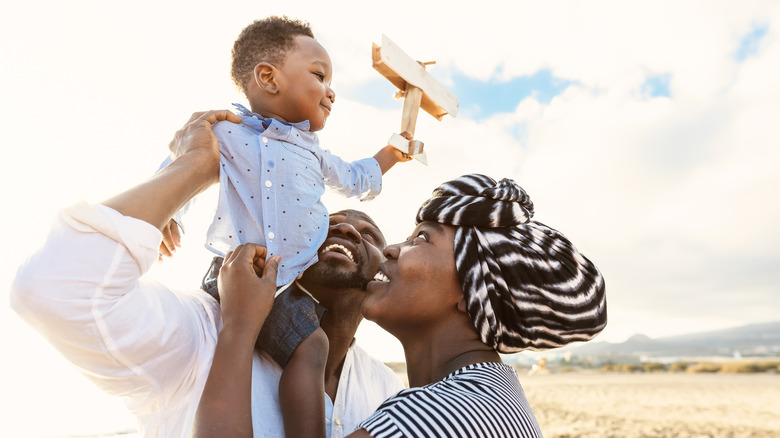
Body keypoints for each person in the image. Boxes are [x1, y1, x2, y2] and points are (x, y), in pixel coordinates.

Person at [10, 110, 404, 438]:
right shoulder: (198, 332)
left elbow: (359, 175)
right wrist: (192, 170)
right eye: (326, 222)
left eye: (368, 233)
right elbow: (50, 289)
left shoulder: (387, 391)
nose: (348, 229)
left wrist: (392, 151)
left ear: (382, 271)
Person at [195, 173, 608, 437]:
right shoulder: (491, 398)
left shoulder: (440, 415)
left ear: (472, 293)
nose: (392, 249)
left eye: (422, 239)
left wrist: (238, 328)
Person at [156, 17, 410, 437]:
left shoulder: (313, 153)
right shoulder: (226, 132)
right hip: (239, 272)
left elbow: (355, 177)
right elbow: (184, 165)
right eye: (319, 75)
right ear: (268, 78)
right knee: (312, 347)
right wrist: (169, 213)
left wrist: (389, 154)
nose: (331, 90)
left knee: (312, 344)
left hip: (287, 280)